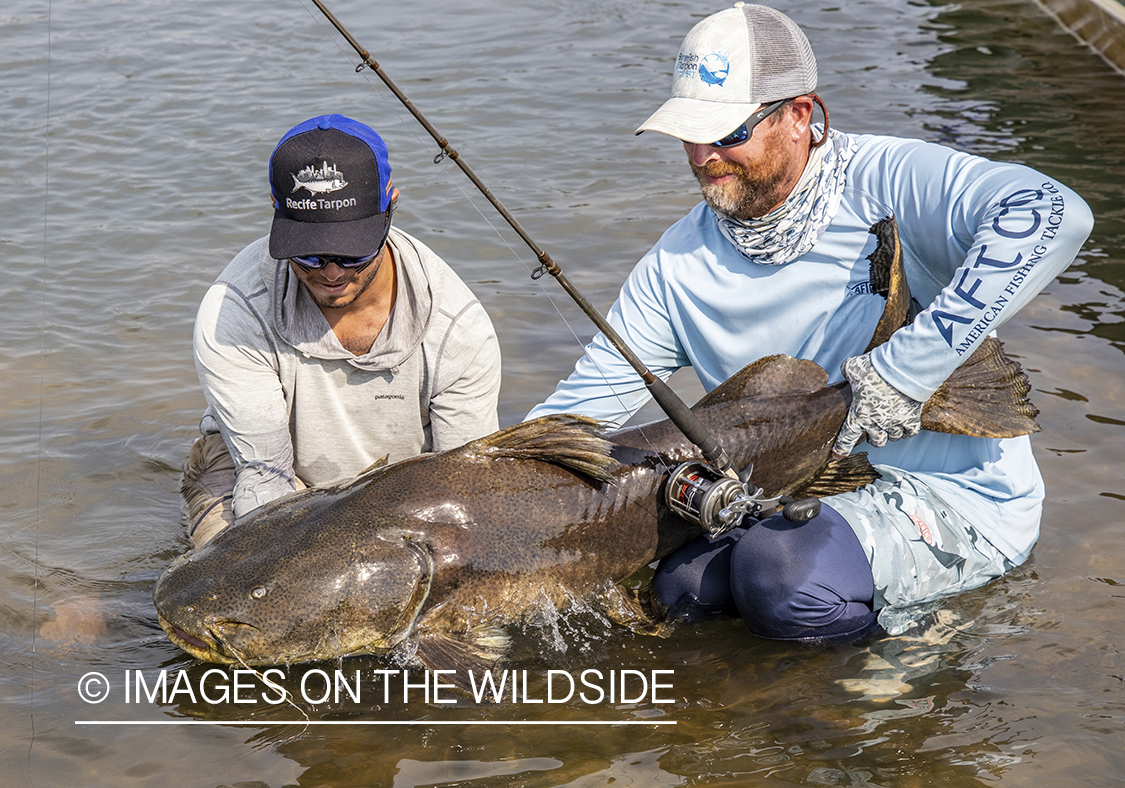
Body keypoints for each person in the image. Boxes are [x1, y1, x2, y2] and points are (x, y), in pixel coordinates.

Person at [527, 4, 1093, 639]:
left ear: (799, 115)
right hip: (789, 498)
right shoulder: (673, 267)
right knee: (680, 587)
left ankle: (914, 660)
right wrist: (480, 490)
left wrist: (910, 368)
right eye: (688, 133)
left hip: (953, 494)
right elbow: (574, 419)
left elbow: (1055, 211)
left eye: (726, 133)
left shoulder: (890, 181)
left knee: (781, 575)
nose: (702, 155)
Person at [184, 114, 502, 547]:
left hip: (408, 483)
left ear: (390, 205)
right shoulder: (233, 312)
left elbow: (465, 492)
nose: (332, 273)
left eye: (352, 252)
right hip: (255, 468)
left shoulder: (458, 328)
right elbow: (266, 480)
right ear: (276, 209)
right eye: (309, 254)